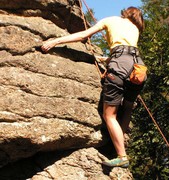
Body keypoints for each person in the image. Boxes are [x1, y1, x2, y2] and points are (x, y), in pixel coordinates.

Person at [41, 6, 146, 168]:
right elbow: (127, 52)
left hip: (119, 66)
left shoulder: (111, 20)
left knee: (109, 115)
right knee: (128, 106)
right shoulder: (135, 28)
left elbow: (84, 35)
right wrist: (107, 59)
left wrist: (56, 41)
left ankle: (121, 155)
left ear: (125, 12)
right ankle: (118, 143)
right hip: (138, 69)